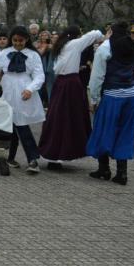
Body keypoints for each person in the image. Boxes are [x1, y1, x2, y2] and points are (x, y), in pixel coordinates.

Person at [37, 26, 103, 169]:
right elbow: (95, 33)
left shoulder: (61, 45)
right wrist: (104, 35)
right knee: (69, 118)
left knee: (58, 117)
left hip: (60, 83)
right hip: (71, 83)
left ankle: (54, 154)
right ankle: (59, 154)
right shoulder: (74, 44)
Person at [0, 26, 45, 174]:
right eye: (15, 40)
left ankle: (33, 159)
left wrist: (30, 89)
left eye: (21, 40)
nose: (18, 43)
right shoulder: (5, 53)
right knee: (7, 125)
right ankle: (9, 157)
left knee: (22, 125)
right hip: (7, 89)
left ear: (27, 40)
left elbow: (39, 75)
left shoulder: (32, 55)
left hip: (23, 90)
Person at [87, 22, 134, 186]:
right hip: (131, 94)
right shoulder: (131, 45)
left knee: (103, 130)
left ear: (111, 31)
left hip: (112, 94)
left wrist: (93, 99)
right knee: (125, 132)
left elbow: (97, 77)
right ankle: (122, 173)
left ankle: (104, 169)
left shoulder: (105, 48)